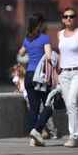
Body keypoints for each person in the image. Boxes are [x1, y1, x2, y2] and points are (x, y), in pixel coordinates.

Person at [29, 7, 78, 148]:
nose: (69, 19)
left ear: (76, 18)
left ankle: (74, 137)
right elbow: (61, 54)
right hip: (63, 74)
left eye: (71, 16)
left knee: (71, 102)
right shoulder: (59, 34)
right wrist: (58, 70)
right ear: (62, 19)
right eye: (66, 17)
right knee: (70, 105)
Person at [18, 13, 52, 145]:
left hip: (29, 76)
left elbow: (21, 52)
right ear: (40, 25)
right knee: (50, 104)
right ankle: (37, 130)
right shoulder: (45, 38)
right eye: (42, 23)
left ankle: (33, 139)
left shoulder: (28, 39)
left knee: (34, 108)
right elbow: (49, 56)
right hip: (40, 76)